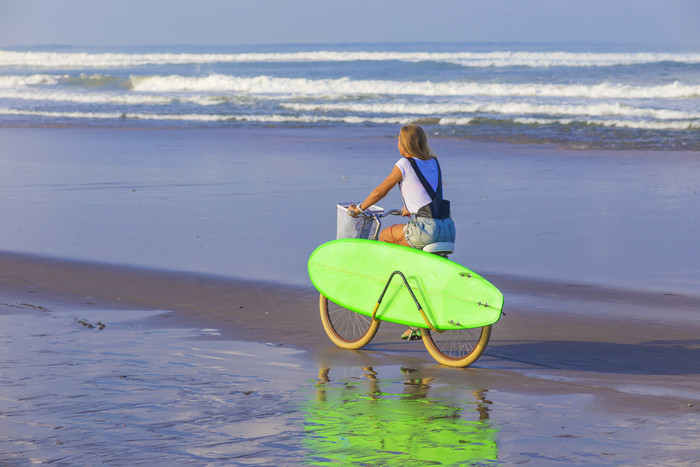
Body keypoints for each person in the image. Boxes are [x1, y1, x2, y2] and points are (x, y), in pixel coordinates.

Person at [348, 125, 456, 340]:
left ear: (405, 144)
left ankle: (397, 289)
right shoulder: (434, 162)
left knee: (384, 237)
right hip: (447, 227)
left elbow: (381, 190)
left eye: (398, 139)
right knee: (414, 264)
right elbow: (426, 194)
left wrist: (359, 208)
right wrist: (411, 209)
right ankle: (416, 309)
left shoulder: (404, 164)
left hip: (425, 230)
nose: (396, 143)